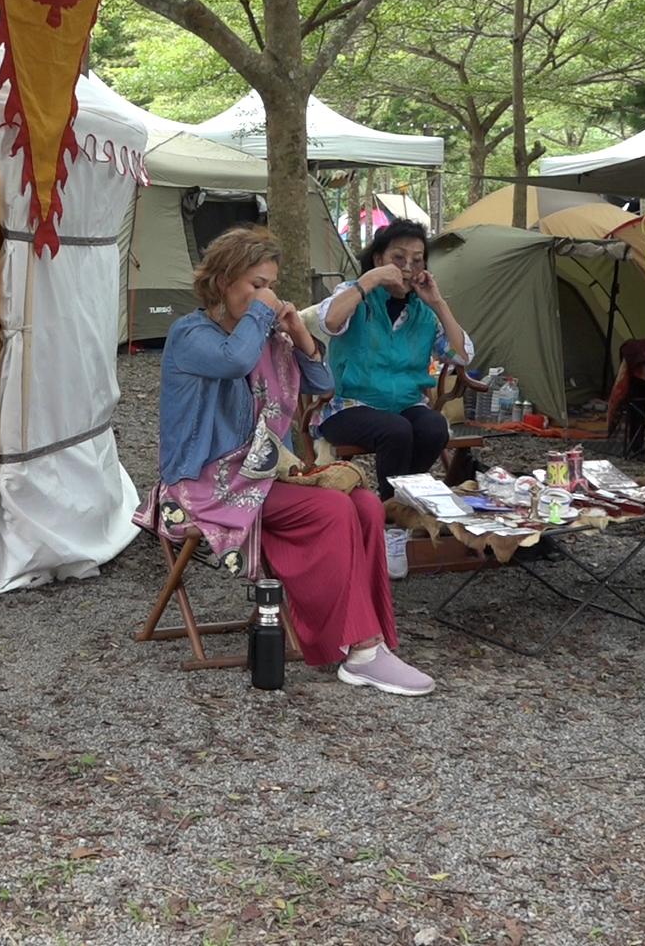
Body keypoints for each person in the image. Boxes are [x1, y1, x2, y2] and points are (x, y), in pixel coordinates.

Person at [146, 227, 435, 696]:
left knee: (363, 504)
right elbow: (233, 361)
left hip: (258, 474)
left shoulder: (259, 335)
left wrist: (302, 335)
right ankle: (358, 648)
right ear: (222, 281)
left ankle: (369, 643)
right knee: (333, 509)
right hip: (202, 485)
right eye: (255, 284)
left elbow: (321, 384)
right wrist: (263, 314)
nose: (267, 295)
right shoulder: (190, 334)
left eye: (270, 284)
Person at [312, 218, 474, 500]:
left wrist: (437, 302)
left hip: (405, 405)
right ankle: (392, 506)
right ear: (379, 259)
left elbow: (461, 356)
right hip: (348, 406)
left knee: (434, 427)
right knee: (396, 430)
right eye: (398, 258)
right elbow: (329, 321)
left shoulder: (423, 312)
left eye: (417, 260)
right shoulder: (355, 294)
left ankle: (400, 501)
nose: (408, 268)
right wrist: (371, 279)